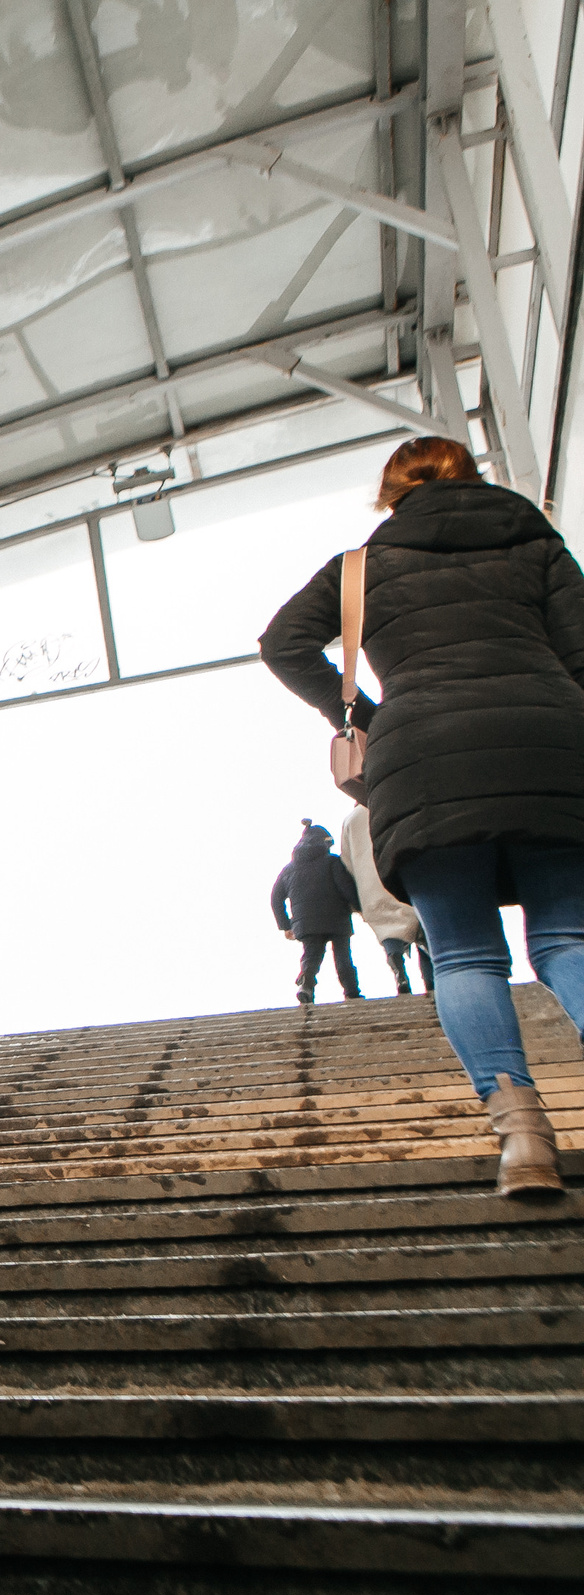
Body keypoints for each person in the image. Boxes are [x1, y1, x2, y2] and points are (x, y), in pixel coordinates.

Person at [262, 434, 582, 1200]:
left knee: (467, 954)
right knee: (570, 935)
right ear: (472, 478)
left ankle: (524, 1137)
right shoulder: (538, 546)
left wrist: (374, 711)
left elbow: (283, 643)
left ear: (392, 492)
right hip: (550, 740)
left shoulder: (363, 567)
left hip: (425, 753)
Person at [270, 820, 363, 1005]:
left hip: (305, 922)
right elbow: (345, 887)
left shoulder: (288, 869)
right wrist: (360, 907)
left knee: (311, 956)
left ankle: (306, 986)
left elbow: (275, 898)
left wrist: (286, 926)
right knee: (343, 956)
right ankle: (351, 992)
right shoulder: (332, 861)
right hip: (337, 917)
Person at [342, 803, 430, 996]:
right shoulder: (390, 801)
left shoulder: (351, 819)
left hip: (371, 887)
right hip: (400, 874)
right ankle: (434, 983)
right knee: (424, 928)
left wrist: (357, 900)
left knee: (390, 931)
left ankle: (400, 972)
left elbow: (346, 863)